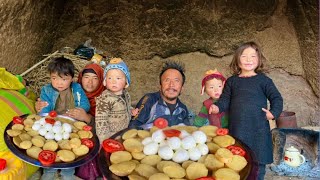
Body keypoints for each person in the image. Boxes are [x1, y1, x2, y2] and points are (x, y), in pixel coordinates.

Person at [209, 41, 283, 180]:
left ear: (259, 59)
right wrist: (217, 107)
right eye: (244, 56)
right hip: (238, 129)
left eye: (253, 56)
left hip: (259, 129)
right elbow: (225, 100)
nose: (248, 60)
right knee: (238, 162)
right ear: (237, 60)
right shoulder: (232, 81)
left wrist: (273, 113)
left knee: (259, 163)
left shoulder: (264, 81)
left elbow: (276, 98)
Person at [36, 62, 105, 180]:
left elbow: (85, 104)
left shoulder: (77, 89)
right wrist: (45, 111)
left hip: (72, 125)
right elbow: (45, 107)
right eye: (54, 78)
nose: (59, 83)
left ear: (72, 79)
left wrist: (79, 112)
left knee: (69, 149)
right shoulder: (46, 90)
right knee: (49, 146)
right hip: (54, 124)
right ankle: (48, 171)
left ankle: (67, 173)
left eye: (64, 79)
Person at [129, 60, 191, 129]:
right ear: (160, 86)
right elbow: (133, 127)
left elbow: (187, 131)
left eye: (176, 81)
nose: (171, 85)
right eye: (167, 80)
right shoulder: (149, 100)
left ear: (182, 88)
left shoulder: (183, 109)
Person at [95, 58, 133, 142]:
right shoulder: (104, 100)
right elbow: (101, 123)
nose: (113, 82)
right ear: (105, 81)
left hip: (124, 133)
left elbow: (126, 107)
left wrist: (131, 111)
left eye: (118, 78)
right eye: (109, 78)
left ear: (126, 82)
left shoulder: (126, 95)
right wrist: (104, 141)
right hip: (111, 137)